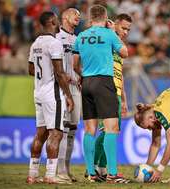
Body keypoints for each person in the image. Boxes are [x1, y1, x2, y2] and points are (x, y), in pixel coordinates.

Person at [73, 5, 129, 183]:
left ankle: (91, 173)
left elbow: (75, 64)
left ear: (90, 18)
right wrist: (112, 30)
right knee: (112, 128)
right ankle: (112, 173)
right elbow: (124, 53)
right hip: (104, 82)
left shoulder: (81, 36)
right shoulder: (109, 33)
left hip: (87, 82)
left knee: (89, 130)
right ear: (105, 17)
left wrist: (83, 76)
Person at [26, 11, 74, 184]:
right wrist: (68, 96)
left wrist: (44, 71)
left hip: (37, 91)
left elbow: (31, 70)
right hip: (51, 93)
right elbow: (60, 73)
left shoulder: (36, 43)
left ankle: (32, 174)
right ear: (53, 21)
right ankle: (50, 175)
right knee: (56, 134)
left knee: (40, 134)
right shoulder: (54, 43)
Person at [93, 13, 132, 181]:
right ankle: (94, 168)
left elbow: (120, 74)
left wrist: (124, 100)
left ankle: (101, 169)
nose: (126, 32)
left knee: (112, 131)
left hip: (116, 91)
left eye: (128, 29)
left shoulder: (119, 44)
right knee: (107, 131)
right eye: (123, 28)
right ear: (114, 24)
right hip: (105, 89)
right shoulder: (106, 39)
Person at [55, 8, 81, 183]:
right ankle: (59, 170)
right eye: (74, 13)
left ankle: (67, 169)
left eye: (79, 14)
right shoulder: (57, 38)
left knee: (72, 130)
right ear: (65, 17)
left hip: (76, 88)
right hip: (62, 87)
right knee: (62, 130)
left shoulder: (79, 39)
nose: (78, 16)